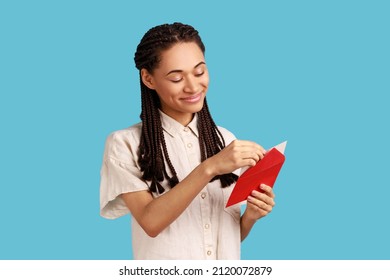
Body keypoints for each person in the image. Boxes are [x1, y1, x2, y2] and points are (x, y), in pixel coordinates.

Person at [100, 22, 276, 260]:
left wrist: (251, 216)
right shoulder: (125, 144)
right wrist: (210, 167)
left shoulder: (225, 140)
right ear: (148, 79)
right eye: (176, 78)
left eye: (200, 71)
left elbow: (222, 238)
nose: (193, 86)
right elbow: (151, 222)